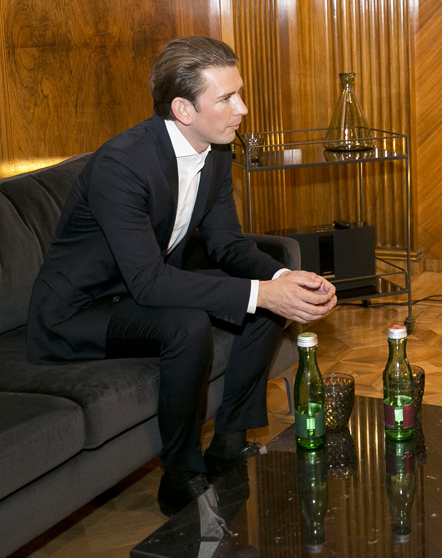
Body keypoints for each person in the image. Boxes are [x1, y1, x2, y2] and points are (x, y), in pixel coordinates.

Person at [26, 36, 337, 516]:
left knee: (265, 303)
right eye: (227, 98)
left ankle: (229, 442)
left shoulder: (215, 151)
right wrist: (263, 291)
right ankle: (181, 474)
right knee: (194, 322)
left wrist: (284, 277)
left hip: (138, 291)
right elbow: (149, 283)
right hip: (81, 311)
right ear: (183, 110)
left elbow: (227, 244)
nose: (243, 108)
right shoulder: (121, 164)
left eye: (240, 93)